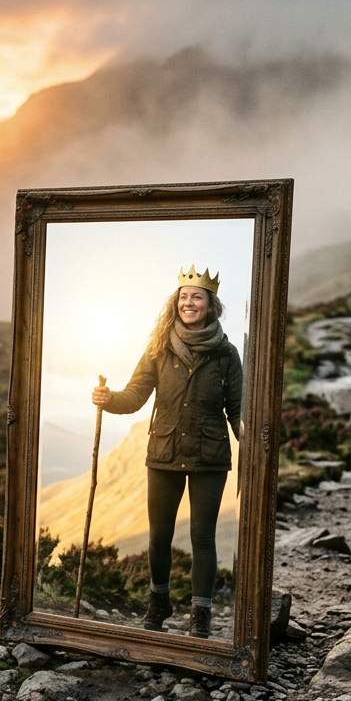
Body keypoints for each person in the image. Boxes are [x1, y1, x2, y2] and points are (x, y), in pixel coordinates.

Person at [91, 265, 243, 638]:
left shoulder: (227, 354)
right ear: (175, 303)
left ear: (211, 305)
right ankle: (159, 601)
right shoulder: (158, 348)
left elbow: (238, 410)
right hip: (164, 453)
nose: (188, 303)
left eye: (197, 297)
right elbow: (135, 396)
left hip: (210, 457)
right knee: (159, 536)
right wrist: (109, 399)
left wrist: (254, 438)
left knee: (202, 537)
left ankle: (201, 614)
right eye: (183, 297)